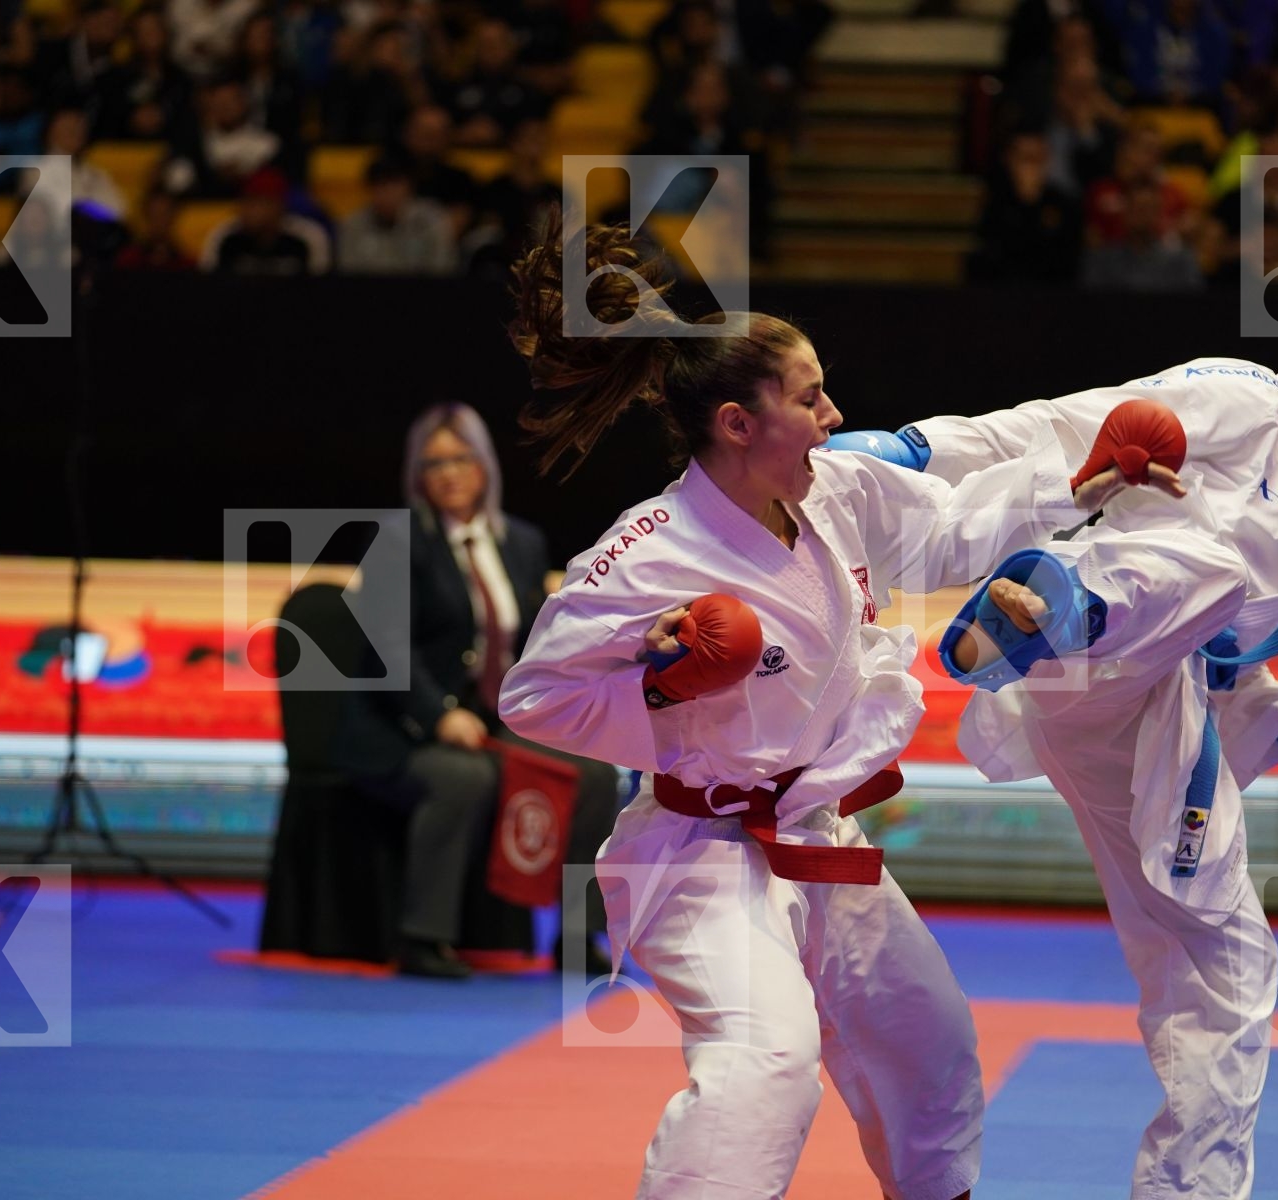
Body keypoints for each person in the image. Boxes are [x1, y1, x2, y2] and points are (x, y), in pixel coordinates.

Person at [495, 218, 1182, 1200]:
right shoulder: (646, 554)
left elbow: (951, 529)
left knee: (928, 1048)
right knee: (764, 1066)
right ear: (737, 422)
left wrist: (1077, 482)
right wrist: (653, 683)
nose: (832, 412)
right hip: (698, 853)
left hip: (818, 835)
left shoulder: (836, 491)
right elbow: (534, 695)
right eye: (807, 395)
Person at [829, 276, 1278, 1200]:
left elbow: (1229, 658)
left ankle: (1189, 1191)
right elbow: (1063, 422)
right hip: (1088, 636)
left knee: (1230, 968)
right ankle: (1042, 610)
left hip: (1149, 709)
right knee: (1208, 564)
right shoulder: (1242, 396)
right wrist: (925, 447)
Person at [337, 402, 622, 979]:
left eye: (459, 458)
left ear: (484, 466)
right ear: (417, 474)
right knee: (465, 777)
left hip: (496, 721)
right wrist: (439, 715)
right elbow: (388, 650)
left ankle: (574, 935)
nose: (447, 472)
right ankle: (423, 939)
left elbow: (544, 638)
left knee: (593, 775)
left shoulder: (520, 541)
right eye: (433, 462)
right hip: (404, 730)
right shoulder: (397, 541)